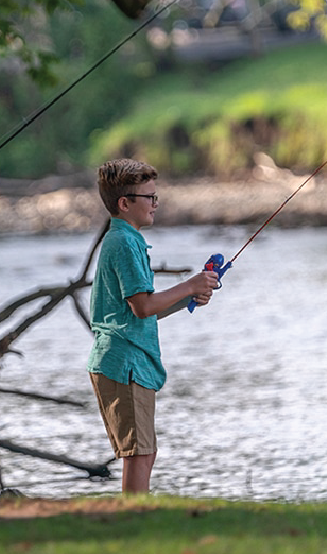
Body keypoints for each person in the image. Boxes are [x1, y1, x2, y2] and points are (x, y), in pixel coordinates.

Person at [87, 158, 219, 494]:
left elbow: (140, 311)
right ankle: (135, 525)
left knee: (145, 452)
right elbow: (143, 305)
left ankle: (137, 519)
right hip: (124, 364)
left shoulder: (125, 240)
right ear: (125, 203)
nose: (155, 204)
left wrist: (186, 299)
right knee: (139, 453)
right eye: (149, 198)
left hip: (131, 360)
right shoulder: (124, 243)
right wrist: (189, 285)